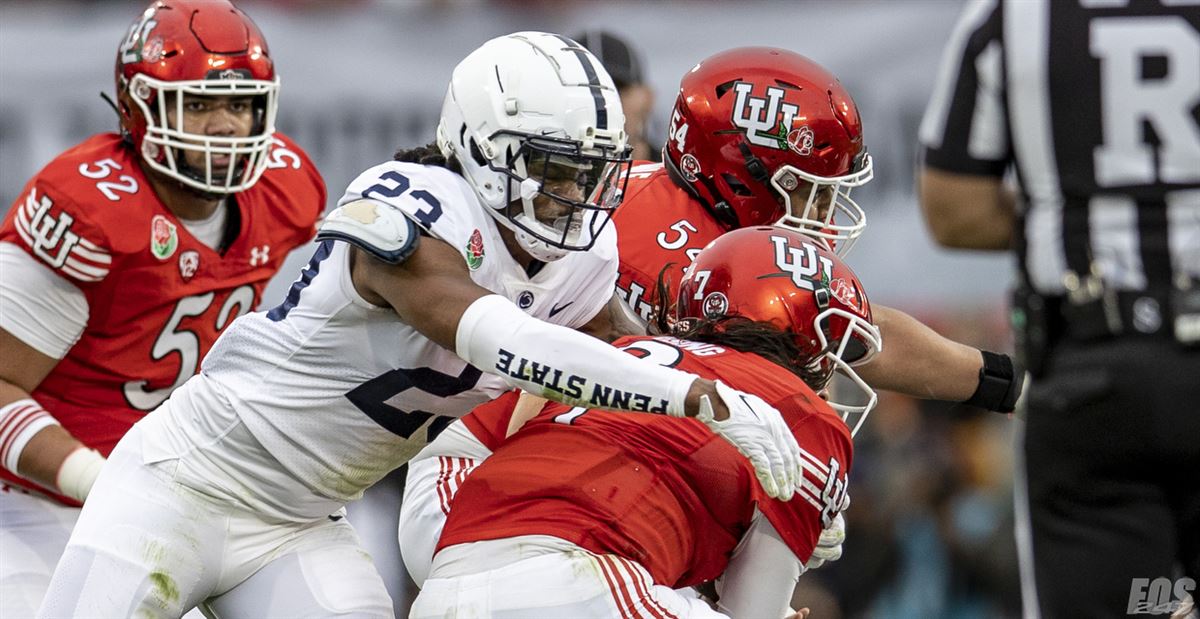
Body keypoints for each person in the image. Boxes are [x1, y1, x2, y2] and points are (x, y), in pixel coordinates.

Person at [36, 31, 805, 619]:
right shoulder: (413, 204)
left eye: (588, 172)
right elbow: (499, 336)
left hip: (301, 521)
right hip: (183, 481)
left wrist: (761, 498)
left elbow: (629, 356)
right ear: (480, 146)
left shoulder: (582, 257)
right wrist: (702, 397)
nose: (574, 195)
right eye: (552, 169)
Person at [0, 1, 324, 616]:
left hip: (175, 485)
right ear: (137, 107)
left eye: (239, 103)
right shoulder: (91, 208)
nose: (226, 126)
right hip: (32, 497)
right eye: (199, 105)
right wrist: (94, 480)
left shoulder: (287, 189)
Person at [409, 226, 881, 619]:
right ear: (799, 334)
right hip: (582, 580)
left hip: (445, 578)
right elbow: (751, 610)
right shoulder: (798, 407)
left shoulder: (614, 358)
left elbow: (456, 441)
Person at [917, 1, 1199, 616]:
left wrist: (1073, 221)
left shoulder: (1015, 15)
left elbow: (954, 209)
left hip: (1097, 370)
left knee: (1124, 604)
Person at [611, 46, 1023, 413]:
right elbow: (858, 340)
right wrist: (1010, 388)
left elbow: (859, 330)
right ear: (744, 176)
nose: (825, 213)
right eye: (813, 191)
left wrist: (1005, 383)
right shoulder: (704, 265)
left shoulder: (636, 191)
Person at [573, 30, 659, 162]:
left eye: (618, 89)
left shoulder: (683, 178)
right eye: (588, 91)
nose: (604, 105)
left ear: (648, 98)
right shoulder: (539, 178)